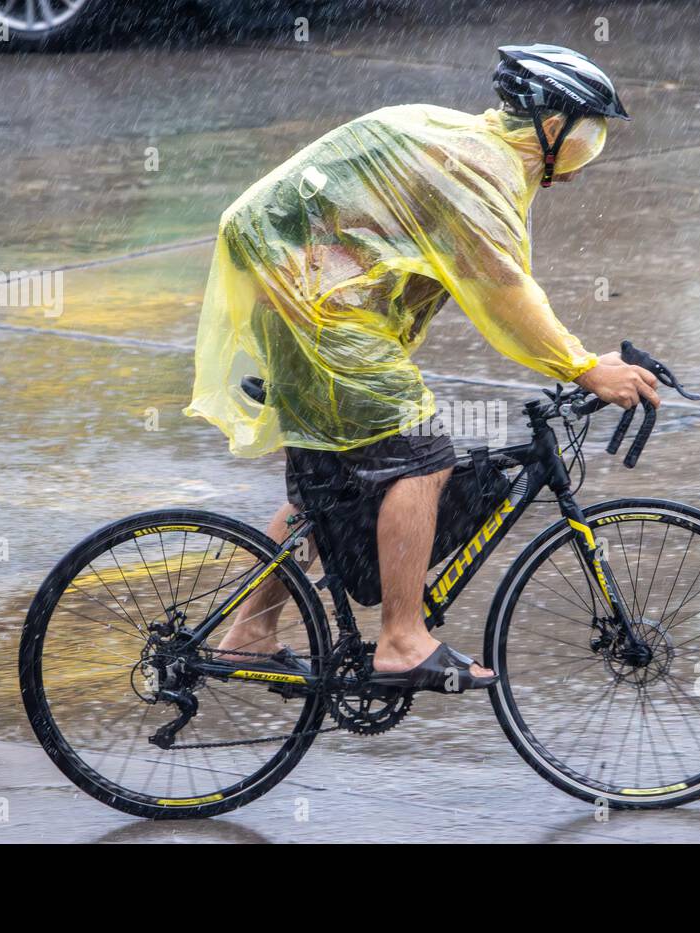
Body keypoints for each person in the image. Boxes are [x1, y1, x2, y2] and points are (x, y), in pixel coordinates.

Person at [184, 44, 661, 693]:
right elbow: (504, 294)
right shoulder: (476, 166)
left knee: (322, 490)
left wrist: (581, 360)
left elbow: (488, 281)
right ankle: (403, 639)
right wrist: (582, 368)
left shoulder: (472, 154)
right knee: (423, 454)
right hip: (312, 304)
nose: (591, 152)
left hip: (297, 292)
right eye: (590, 133)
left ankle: (251, 632)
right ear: (552, 126)